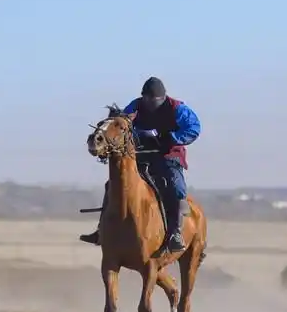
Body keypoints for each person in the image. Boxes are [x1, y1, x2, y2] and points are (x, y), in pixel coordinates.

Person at [79, 77, 201, 257]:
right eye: (146, 99)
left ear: (162, 98)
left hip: (168, 155)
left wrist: (168, 137)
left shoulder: (178, 109)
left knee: (175, 186)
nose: (150, 104)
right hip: (141, 155)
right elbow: (122, 124)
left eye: (154, 101)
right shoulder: (135, 106)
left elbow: (193, 128)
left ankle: (175, 232)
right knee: (112, 185)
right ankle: (101, 230)